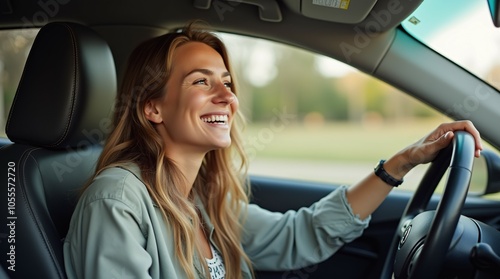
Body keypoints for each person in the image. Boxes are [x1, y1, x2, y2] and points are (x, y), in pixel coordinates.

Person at [63, 22, 483, 279]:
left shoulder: (205, 199)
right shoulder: (117, 201)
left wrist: (401, 162)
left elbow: (300, 235)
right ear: (152, 107)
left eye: (227, 82)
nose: (227, 97)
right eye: (201, 82)